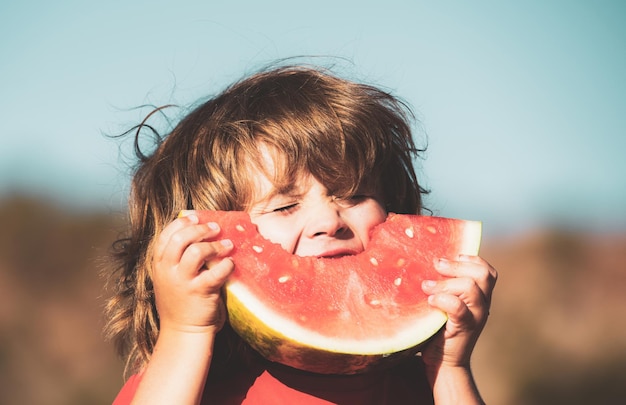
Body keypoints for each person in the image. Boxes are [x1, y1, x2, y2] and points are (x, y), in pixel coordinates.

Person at [105, 64, 497, 404]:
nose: (330, 219)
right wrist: (186, 331)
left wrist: (449, 364)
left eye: (356, 194)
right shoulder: (187, 385)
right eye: (283, 206)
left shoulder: (422, 387)